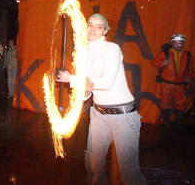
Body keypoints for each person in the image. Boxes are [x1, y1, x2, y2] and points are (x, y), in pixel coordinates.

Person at [57, 13, 146, 185]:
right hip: (98, 114)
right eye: (90, 25)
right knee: (93, 164)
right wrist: (83, 92)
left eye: (98, 27)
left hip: (123, 116)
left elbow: (105, 83)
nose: (92, 29)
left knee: (128, 171)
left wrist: (72, 80)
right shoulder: (82, 53)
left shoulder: (112, 49)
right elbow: (89, 89)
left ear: (105, 31)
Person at [153, 33, 193, 128]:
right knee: (165, 103)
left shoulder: (187, 55)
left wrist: (189, 78)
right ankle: (166, 122)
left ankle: (178, 123)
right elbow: (155, 63)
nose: (179, 45)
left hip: (180, 84)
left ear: (183, 43)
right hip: (166, 83)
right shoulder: (165, 54)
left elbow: (190, 68)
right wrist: (162, 63)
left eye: (181, 43)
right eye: (176, 43)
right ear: (172, 43)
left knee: (180, 104)